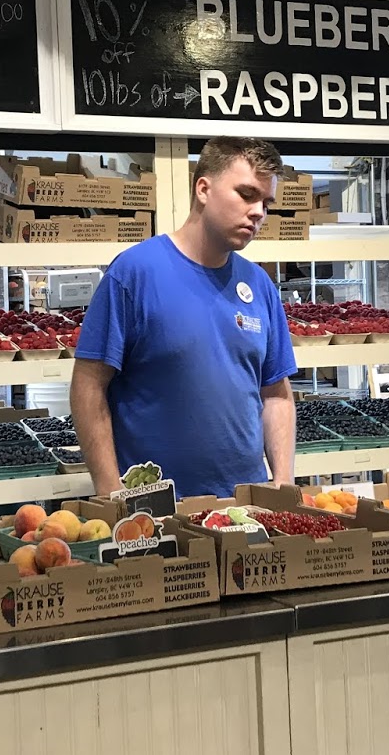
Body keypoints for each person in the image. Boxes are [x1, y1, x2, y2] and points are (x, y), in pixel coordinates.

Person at [70, 137, 297, 498]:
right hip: (155, 509)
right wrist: (109, 489)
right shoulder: (134, 273)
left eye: (266, 202)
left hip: (246, 504)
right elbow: (88, 384)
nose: (259, 212)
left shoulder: (260, 286)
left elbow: (276, 394)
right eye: (247, 194)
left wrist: (283, 478)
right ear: (204, 189)